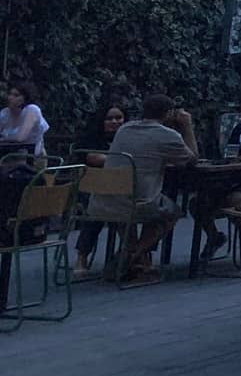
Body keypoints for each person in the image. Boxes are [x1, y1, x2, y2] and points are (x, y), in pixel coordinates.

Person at [101, 94, 200, 283]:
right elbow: (192, 159)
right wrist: (187, 126)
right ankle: (133, 256)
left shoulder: (123, 129)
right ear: (169, 113)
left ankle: (134, 257)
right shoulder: (168, 135)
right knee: (171, 212)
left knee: (137, 201)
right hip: (140, 202)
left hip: (106, 200)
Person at [71, 102, 130, 277]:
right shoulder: (91, 139)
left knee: (129, 208)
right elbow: (93, 158)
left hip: (122, 189)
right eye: (109, 118)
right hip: (92, 189)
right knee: (97, 207)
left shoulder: (129, 138)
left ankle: (133, 255)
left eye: (118, 118)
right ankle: (82, 257)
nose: (114, 122)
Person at [0, 80, 49, 154]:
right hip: (7, 155)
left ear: (25, 98)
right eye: (10, 94)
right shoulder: (5, 112)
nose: (10, 98)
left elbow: (20, 138)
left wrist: (0, 139)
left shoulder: (32, 110)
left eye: (16, 95)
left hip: (31, 157)